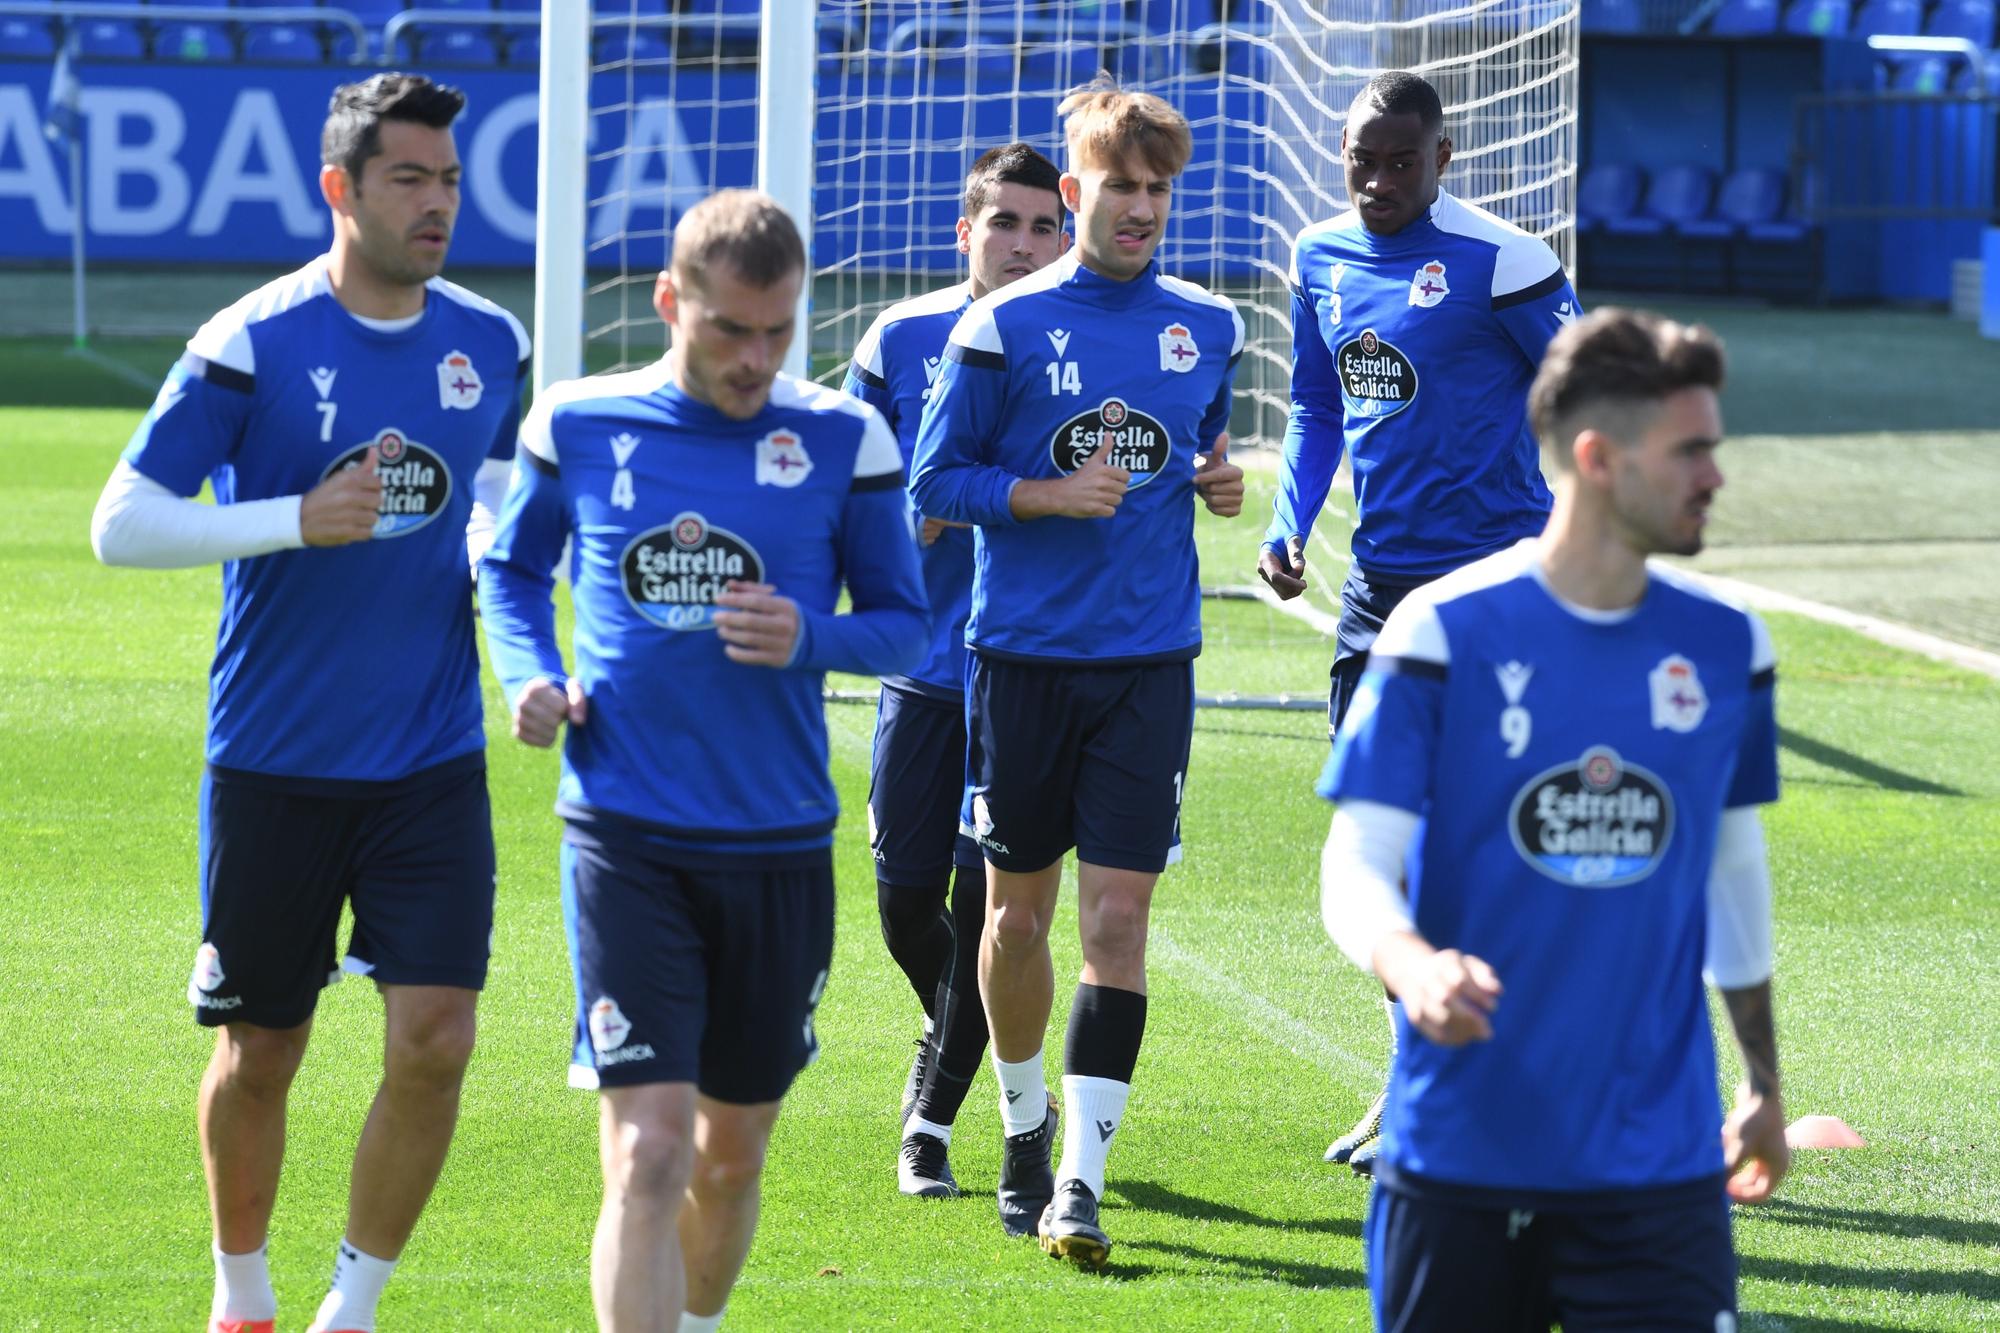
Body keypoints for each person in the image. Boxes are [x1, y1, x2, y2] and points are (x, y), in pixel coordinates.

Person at [87, 74, 528, 1333]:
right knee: (261, 1047)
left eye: (448, 179)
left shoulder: (489, 340)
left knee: (437, 1035)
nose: (438, 201)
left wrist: (523, 619)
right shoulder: (250, 339)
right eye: (410, 178)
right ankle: (241, 1296)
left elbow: (496, 506)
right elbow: (121, 525)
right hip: (275, 757)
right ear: (339, 188)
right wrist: (292, 519)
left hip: (430, 759)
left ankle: (355, 1307)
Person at [478, 189, 927, 1331]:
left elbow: (905, 623)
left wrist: (810, 636)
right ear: (669, 302)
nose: (757, 357)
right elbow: (512, 571)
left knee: (729, 1159)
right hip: (624, 835)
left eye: (779, 331)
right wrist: (529, 671)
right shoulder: (578, 422)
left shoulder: (841, 437)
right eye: (731, 330)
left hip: (777, 842)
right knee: (648, 1154)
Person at [1317, 307, 1789, 1328]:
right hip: (1458, 1158)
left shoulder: (1727, 648)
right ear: (1597, 458)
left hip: (1656, 1173)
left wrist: (1760, 1078)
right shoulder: (1438, 632)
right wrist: (1412, 964)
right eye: (1691, 450)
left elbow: (1730, 868)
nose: (1714, 475)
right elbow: (1354, 862)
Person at [909, 78, 1247, 1268]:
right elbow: (929, 490)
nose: (1141, 207)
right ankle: (1018, 1128)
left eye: (1159, 188)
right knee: (1014, 917)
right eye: (1119, 186)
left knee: (1116, 919)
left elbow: (1195, 445)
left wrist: (1217, 480)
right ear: (1073, 191)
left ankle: (1079, 1187)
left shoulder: (1209, 325)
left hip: (1148, 663)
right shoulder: (996, 328)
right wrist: (1043, 496)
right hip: (1019, 663)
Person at [1256, 70, 1582, 1172]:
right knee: (1378, 853)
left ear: (1444, 159)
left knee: (1508, 846)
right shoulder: (1317, 258)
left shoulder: (1508, 262)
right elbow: (1312, 403)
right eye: (1361, 157)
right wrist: (1289, 520)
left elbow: (1586, 405)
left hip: (1500, 601)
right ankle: (1414, 1081)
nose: (1378, 178)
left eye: (1402, 160)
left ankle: (1551, 1077)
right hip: (1377, 597)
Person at [842, 142, 1069, 1199]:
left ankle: (926, 1120)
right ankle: (967, 1030)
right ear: (962, 230)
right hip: (918, 664)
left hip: (1023, 668)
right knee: (901, 906)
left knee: (992, 912)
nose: (1024, 246)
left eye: (1042, 225)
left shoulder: (1084, 333)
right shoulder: (901, 337)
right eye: (1004, 224)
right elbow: (850, 478)